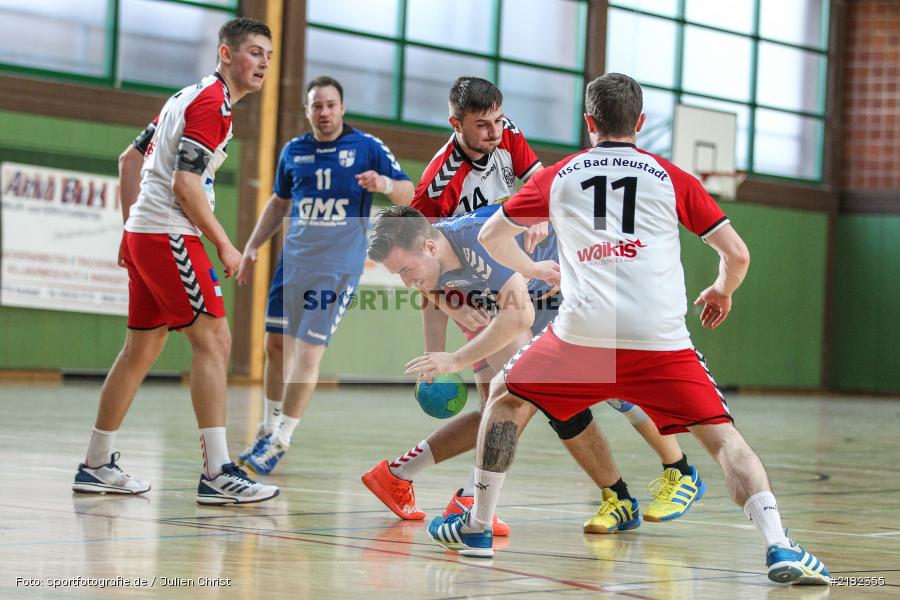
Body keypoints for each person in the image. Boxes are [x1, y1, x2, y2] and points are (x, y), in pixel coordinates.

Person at [426, 73, 830, 586]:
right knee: (726, 441)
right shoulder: (672, 176)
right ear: (639, 124)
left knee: (505, 396)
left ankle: (479, 530)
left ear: (589, 123)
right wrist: (721, 290)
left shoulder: (561, 175)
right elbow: (738, 254)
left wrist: (533, 272)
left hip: (581, 337)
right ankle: (779, 545)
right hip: (659, 341)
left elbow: (489, 234)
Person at [364, 204, 706, 534]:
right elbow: (431, 294)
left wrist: (454, 360)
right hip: (531, 301)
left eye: (406, 271)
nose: (407, 283)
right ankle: (617, 498)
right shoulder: (432, 257)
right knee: (547, 402)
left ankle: (680, 471)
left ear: (428, 246)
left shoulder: (474, 240)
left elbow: (519, 318)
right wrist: (433, 357)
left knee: (608, 389)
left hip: (583, 287)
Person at [72, 18, 279, 505]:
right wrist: (227, 245)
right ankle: (217, 472)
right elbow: (185, 187)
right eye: (254, 53)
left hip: (148, 233)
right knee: (215, 340)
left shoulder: (183, 98)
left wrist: (131, 230)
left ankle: (96, 464)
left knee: (140, 351)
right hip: (168, 235)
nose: (263, 64)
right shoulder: (212, 104)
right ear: (226, 55)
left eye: (269, 57)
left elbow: (129, 160)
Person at [235, 76, 413, 474]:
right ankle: (266, 427)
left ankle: (281, 439)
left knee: (309, 353)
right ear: (308, 110)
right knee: (275, 347)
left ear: (343, 107)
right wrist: (251, 245)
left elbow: (408, 191)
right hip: (293, 263)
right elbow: (279, 203)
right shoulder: (293, 152)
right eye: (317, 105)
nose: (325, 112)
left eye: (331, 104)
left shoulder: (366, 148)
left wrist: (383, 183)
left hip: (336, 268)